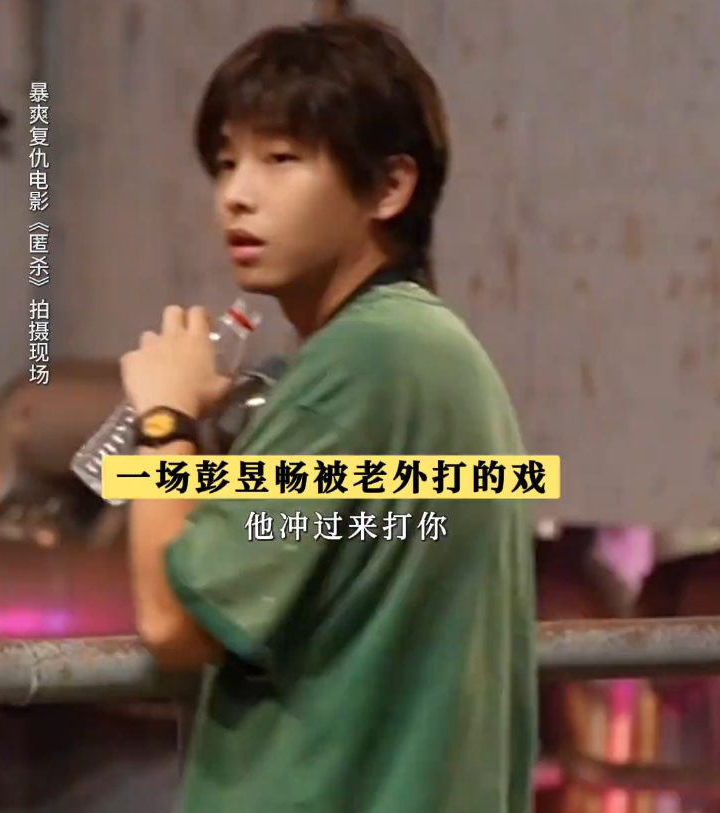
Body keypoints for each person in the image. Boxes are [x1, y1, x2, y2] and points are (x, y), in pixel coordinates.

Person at [120, 15, 537, 813]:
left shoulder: (358, 367)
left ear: (390, 187)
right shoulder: (431, 351)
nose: (237, 194)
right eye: (226, 162)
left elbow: (173, 624)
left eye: (282, 158)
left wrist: (164, 421)